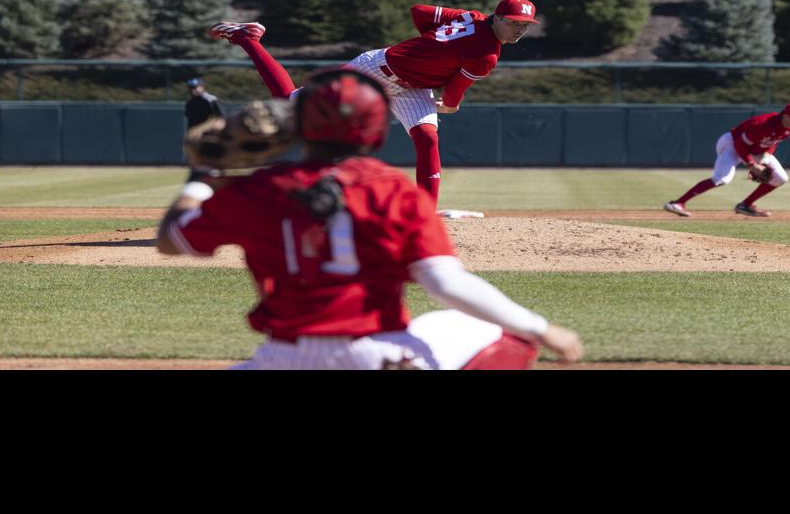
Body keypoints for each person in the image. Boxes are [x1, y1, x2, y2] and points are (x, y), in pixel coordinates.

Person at [155, 65, 583, 370]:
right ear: (378, 127)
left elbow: (172, 240)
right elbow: (446, 284)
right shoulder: (394, 190)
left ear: (301, 126)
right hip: (378, 356)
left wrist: (205, 176)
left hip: (282, 357)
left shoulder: (259, 188)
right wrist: (542, 328)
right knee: (493, 329)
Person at [208, 0, 539, 218]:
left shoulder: (469, 18)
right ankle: (248, 38)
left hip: (412, 86)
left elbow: (420, 11)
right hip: (376, 71)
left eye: (524, 25)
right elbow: (454, 92)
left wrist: (429, 46)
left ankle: (425, 212)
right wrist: (449, 102)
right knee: (291, 105)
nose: (520, 29)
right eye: (513, 22)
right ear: (496, 17)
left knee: (427, 139)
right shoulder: (487, 55)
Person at [664, 102, 790, 218]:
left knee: (781, 178)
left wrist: (763, 160)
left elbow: (772, 144)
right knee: (722, 179)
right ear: (786, 116)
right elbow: (740, 145)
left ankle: (745, 205)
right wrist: (752, 165)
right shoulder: (764, 125)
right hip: (732, 144)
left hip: (756, 149)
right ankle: (677, 203)